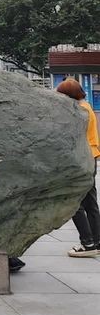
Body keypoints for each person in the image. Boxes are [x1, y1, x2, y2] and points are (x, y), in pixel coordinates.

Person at [57, 79, 100, 257]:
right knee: (90, 203)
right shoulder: (86, 106)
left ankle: (87, 243)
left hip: (81, 159)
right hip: (91, 156)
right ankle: (96, 242)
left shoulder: (79, 111)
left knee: (74, 203)